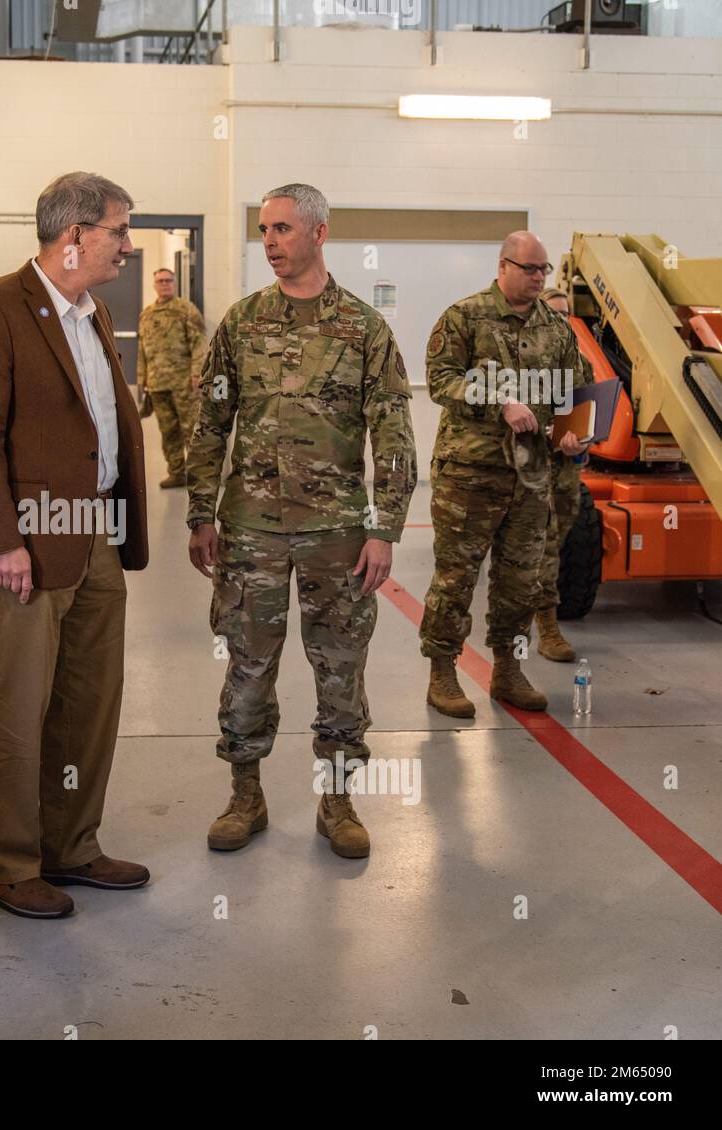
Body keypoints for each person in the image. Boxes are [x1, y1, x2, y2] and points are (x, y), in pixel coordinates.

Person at [187, 183, 416, 859]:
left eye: (283, 229)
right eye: (264, 230)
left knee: (340, 664)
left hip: (337, 532)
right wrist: (202, 512)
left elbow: (394, 431)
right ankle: (245, 795)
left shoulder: (363, 328)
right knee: (247, 662)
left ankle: (337, 800)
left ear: (319, 232)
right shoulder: (241, 322)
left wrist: (384, 527)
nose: (271, 241)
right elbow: (211, 422)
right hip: (250, 529)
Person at [0, 171, 150, 919]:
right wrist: (2, 542)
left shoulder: (90, 312)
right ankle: (4, 864)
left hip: (95, 532)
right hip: (28, 546)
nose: (128, 247)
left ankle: (72, 845)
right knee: (22, 707)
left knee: (89, 700)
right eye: (118, 232)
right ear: (74, 235)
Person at [421, 234, 591, 718]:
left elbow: (571, 394)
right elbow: (440, 380)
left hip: (532, 477)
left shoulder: (556, 329)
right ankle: (443, 673)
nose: (540, 278)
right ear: (504, 266)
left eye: (545, 271)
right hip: (470, 476)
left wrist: (571, 435)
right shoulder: (465, 316)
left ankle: (509, 670)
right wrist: (500, 401)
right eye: (531, 269)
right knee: (455, 578)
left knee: (520, 581)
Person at [532, 286, 589, 661]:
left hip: (566, 468)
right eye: (554, 313)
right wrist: (543, 431)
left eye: (566, 314)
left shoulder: (579, 361)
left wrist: (579, 440)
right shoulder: (524, 361)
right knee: (545, 546)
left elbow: (586, 410)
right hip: (530, 468)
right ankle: (546, 627)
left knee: (559, 537)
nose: (562, 320)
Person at [137, 268, 207, 487]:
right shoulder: (147, 314)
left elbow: (199, 343)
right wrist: (142, 378)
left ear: (174, 283)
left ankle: (199, 477)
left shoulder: (186, 309)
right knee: (168, 432)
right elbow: (142, 349)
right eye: (160, 281)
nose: (164, 284)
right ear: (154, 284)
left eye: (168, 280)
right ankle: (176, 472)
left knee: (191, 431)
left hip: (183, 383)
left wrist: (197, 373)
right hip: (157, 384)